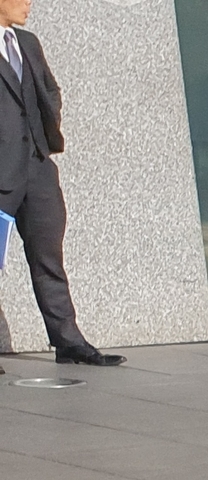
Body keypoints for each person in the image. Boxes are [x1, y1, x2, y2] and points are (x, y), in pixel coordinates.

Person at [0, 0, 119, 368]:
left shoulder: (27, 42)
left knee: (49, 257)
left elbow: (50, 90)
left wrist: (46, 138)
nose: (27, 3)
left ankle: (68, 342)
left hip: (37, 170)